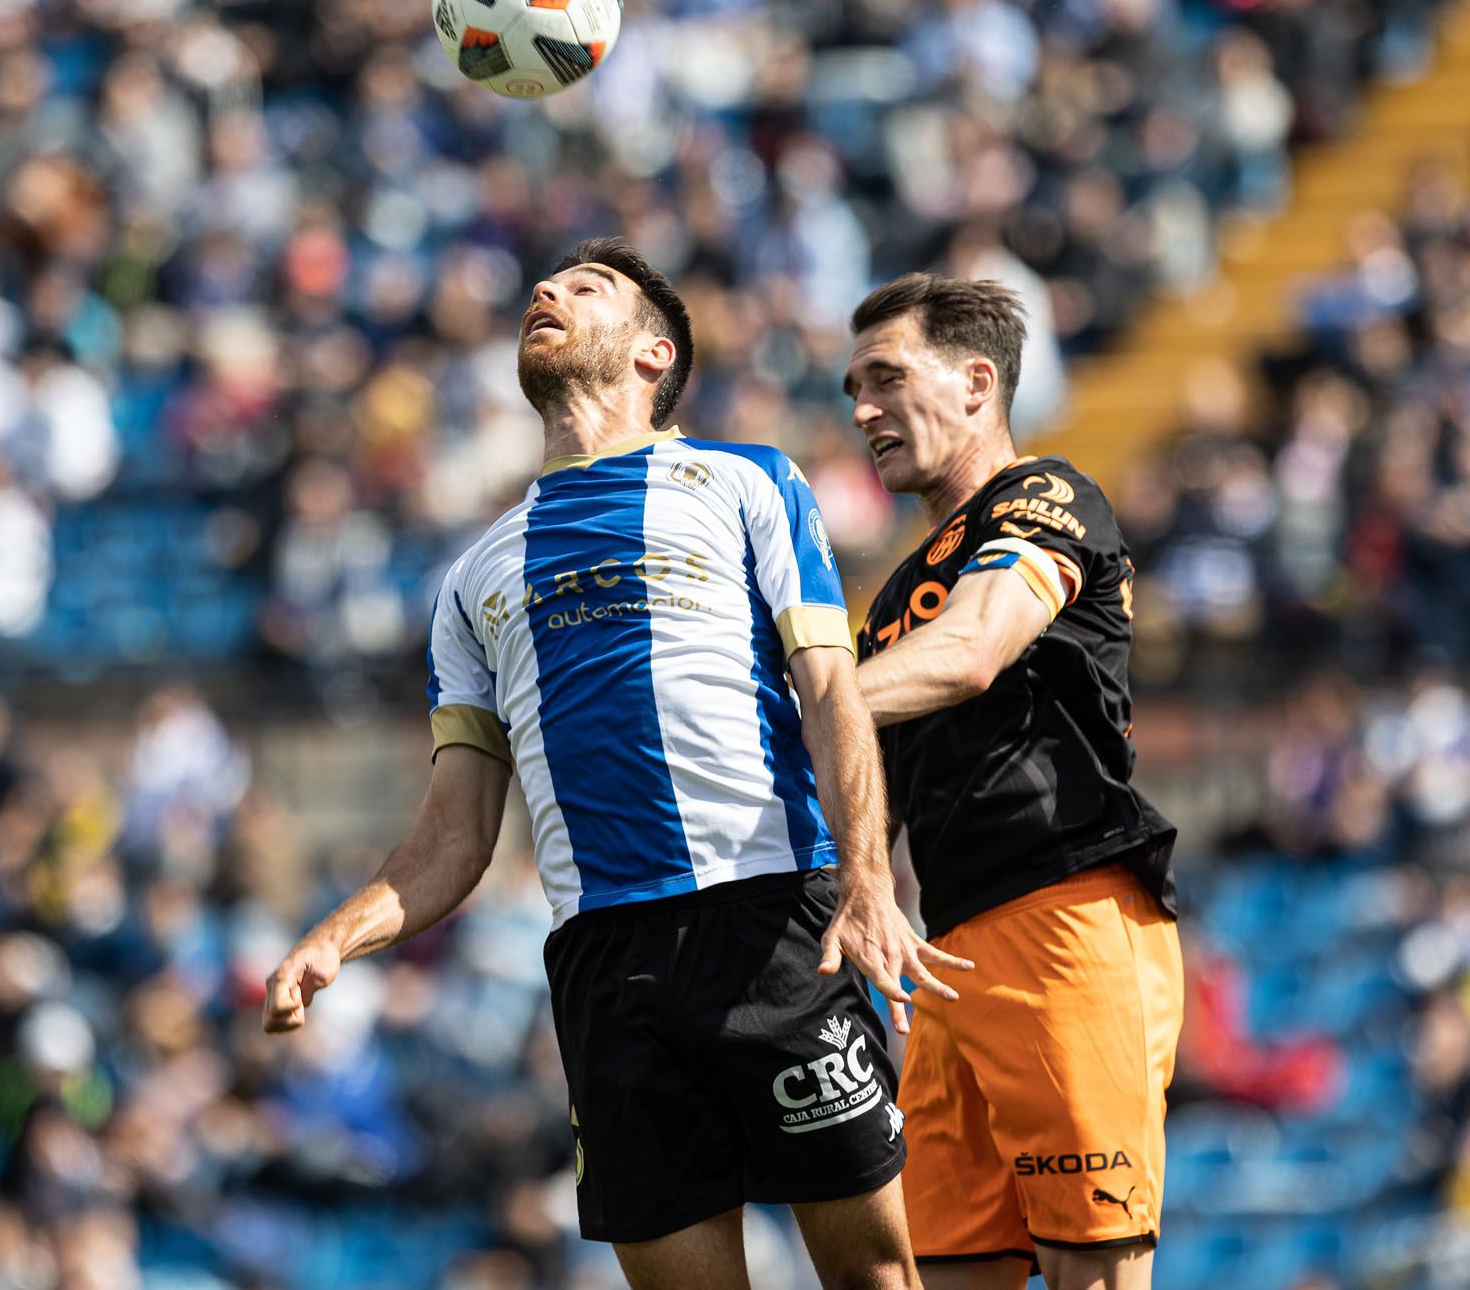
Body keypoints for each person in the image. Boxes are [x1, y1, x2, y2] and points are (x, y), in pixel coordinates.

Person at [265, 238, 968, 1289]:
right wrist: (340, 935)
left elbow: (832, 696)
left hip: (773, 926)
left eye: (584, 289)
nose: (544, 291)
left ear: (652, 354)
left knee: (876, 1277)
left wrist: (868, 881)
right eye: (543, 286)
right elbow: (457, 832)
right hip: (606, 965)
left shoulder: (745, 483)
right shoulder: (472, 577)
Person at [842, 274, 1182, 1290]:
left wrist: (793, 702)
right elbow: (870, 793)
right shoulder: (897, 595)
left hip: (1064, 917)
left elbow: (975, 650)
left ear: (978, 382)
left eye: (887, 378)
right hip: (943, 956)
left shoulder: (1049, 494)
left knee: (1098, 1272)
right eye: (853, 386)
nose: (863, 410)